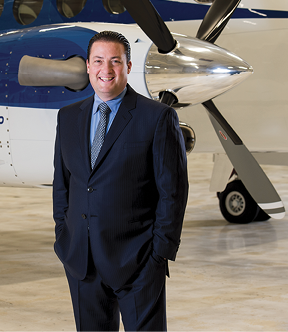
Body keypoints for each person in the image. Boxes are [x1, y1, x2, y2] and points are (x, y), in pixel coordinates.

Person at [53, 30, 189, 331]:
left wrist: (159, 254)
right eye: (99, 61)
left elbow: (173, 191)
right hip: (81, 260)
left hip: (138, 260)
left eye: (115, 61)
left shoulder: (157, 117)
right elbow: (63, 184)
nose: (106, 69)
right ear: (88, 66)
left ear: (128, 66)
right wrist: (64, 234)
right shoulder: (68, 117)